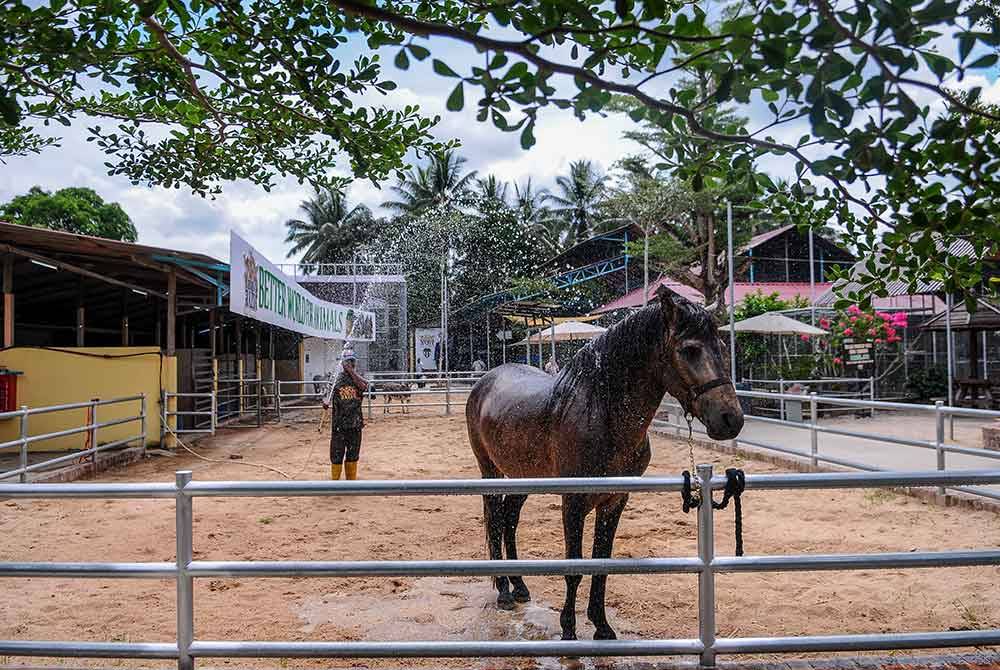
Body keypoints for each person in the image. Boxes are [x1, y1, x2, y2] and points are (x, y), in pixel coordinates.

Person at [322, 348, 369, 480]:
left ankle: (351, 483)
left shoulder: (358, 379)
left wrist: (351, 372)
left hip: (355, 424)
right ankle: (336, 483)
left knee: (353, 454)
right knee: (336, 455)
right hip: (339, 425)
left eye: (352, 361)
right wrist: (326, 402)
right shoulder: (336, 380)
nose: (351, 364)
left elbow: (364, 387)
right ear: (342, 364)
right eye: (348, 362)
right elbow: (326, 398)